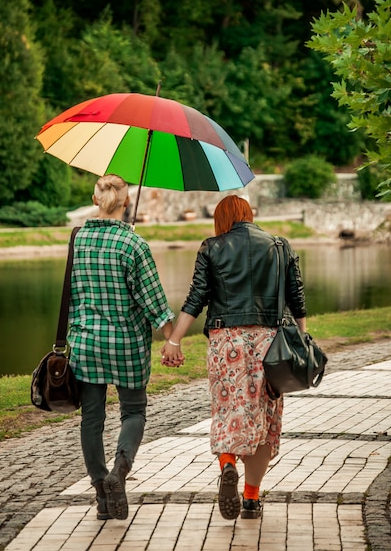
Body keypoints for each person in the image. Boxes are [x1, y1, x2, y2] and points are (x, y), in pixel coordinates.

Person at [161, 195, 306, 520]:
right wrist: (302, 339)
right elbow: (297, 296)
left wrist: (174, 339)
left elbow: (196, 297)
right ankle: (251, 499)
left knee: (228, 410)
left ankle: (227, 463)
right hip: (271, 343)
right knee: (265, 420)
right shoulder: (280, 246)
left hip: (227, 343)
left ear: (222, 219)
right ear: (249, 215)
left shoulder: (212, 247)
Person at [68, 174, 175, 521]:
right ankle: (119, 473)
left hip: (86, 343)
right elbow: (154, 302)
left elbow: (72, 294)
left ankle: (102, 493)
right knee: (133, 413)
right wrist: (172, 339)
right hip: (127, 345)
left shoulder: (78, 240)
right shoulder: (134, 246)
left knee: (92, 419)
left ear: (96, 199)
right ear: (126, 203)